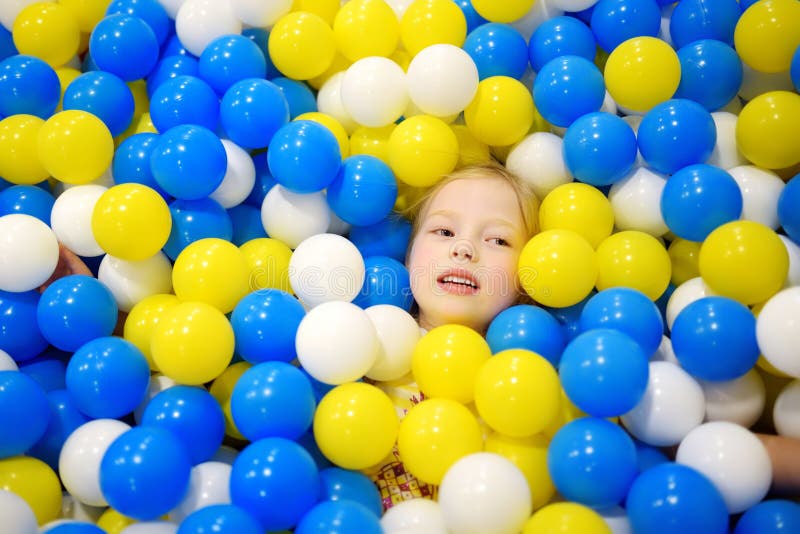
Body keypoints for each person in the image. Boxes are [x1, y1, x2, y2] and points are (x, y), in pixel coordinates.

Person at [369, 160, 542, 509]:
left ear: (525, 278)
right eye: (444, 232)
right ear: (409, 256)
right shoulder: (370, 345)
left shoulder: (519, 377)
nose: (464, 249)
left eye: (498, 239)